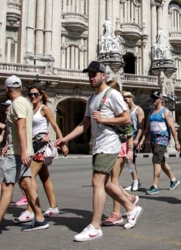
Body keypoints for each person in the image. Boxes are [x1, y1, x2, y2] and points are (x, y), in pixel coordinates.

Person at [55, 61, 143, 242]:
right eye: (89, 74)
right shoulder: (92, 99)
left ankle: (95, 227)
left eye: (95, 74)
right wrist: (66, 138)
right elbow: (84, 124)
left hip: (109, 144)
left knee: (97, 181)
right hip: (98, 144)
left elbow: (126, 118)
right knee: (108, 184)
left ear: (104, 75)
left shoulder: (113, 95)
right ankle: (131, 207)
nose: (91, 77)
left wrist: (104, 119)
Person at [0, 76, 49, 239]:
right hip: (22, 150)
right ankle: (40, 218)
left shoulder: (18, 103)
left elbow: (21, 127)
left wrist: (22, 151)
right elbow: (15, 127)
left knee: (7, 186)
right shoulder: (25, 103)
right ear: (20, 88)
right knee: (26, 183)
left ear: (6, 89)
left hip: (17, 152)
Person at [14, 86, 68, 223]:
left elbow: (55, 126)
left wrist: (63, 143)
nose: (32, 96)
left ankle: (30, 210)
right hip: (32, 144)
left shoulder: (44, 109)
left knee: (29, 177)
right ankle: (53, 207)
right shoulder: (29, 109)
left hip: (41, 144)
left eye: (35, 94)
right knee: (45, 178)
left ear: (40, 95)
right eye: (30, 94)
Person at [101, 82, 139, 226]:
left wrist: (129, 149)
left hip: (120, 145)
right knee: (109, 180)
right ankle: (129, 197)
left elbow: (128, 127)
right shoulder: (109, 104)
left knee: (113, 181)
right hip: (110, 144)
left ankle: (117, 213)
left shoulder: (119, 105)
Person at [138, 91, 180, 195]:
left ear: (161, 100)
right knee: (161, 161)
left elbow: (172, 128)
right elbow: (147, 128)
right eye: (153, 98)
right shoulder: (151, 112)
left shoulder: (166, 112)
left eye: (156, 98)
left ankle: (155, 186)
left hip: (162, 139)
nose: (154, 100)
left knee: (156, 161)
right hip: (153, 140)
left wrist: (177, 142)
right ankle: (174, 180)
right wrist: (142, 140)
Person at [122, 91, 144, 192]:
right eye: (124, 98)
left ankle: (135, 181)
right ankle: (134, 180)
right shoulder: (125, 110)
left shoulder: (138, 110)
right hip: (125, 137)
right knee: (128, 160)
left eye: (127, 97)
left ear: (132, 98)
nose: (125, 99)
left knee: (130, 160)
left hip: (133, 136)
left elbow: (141, 127)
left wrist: (137, 139)